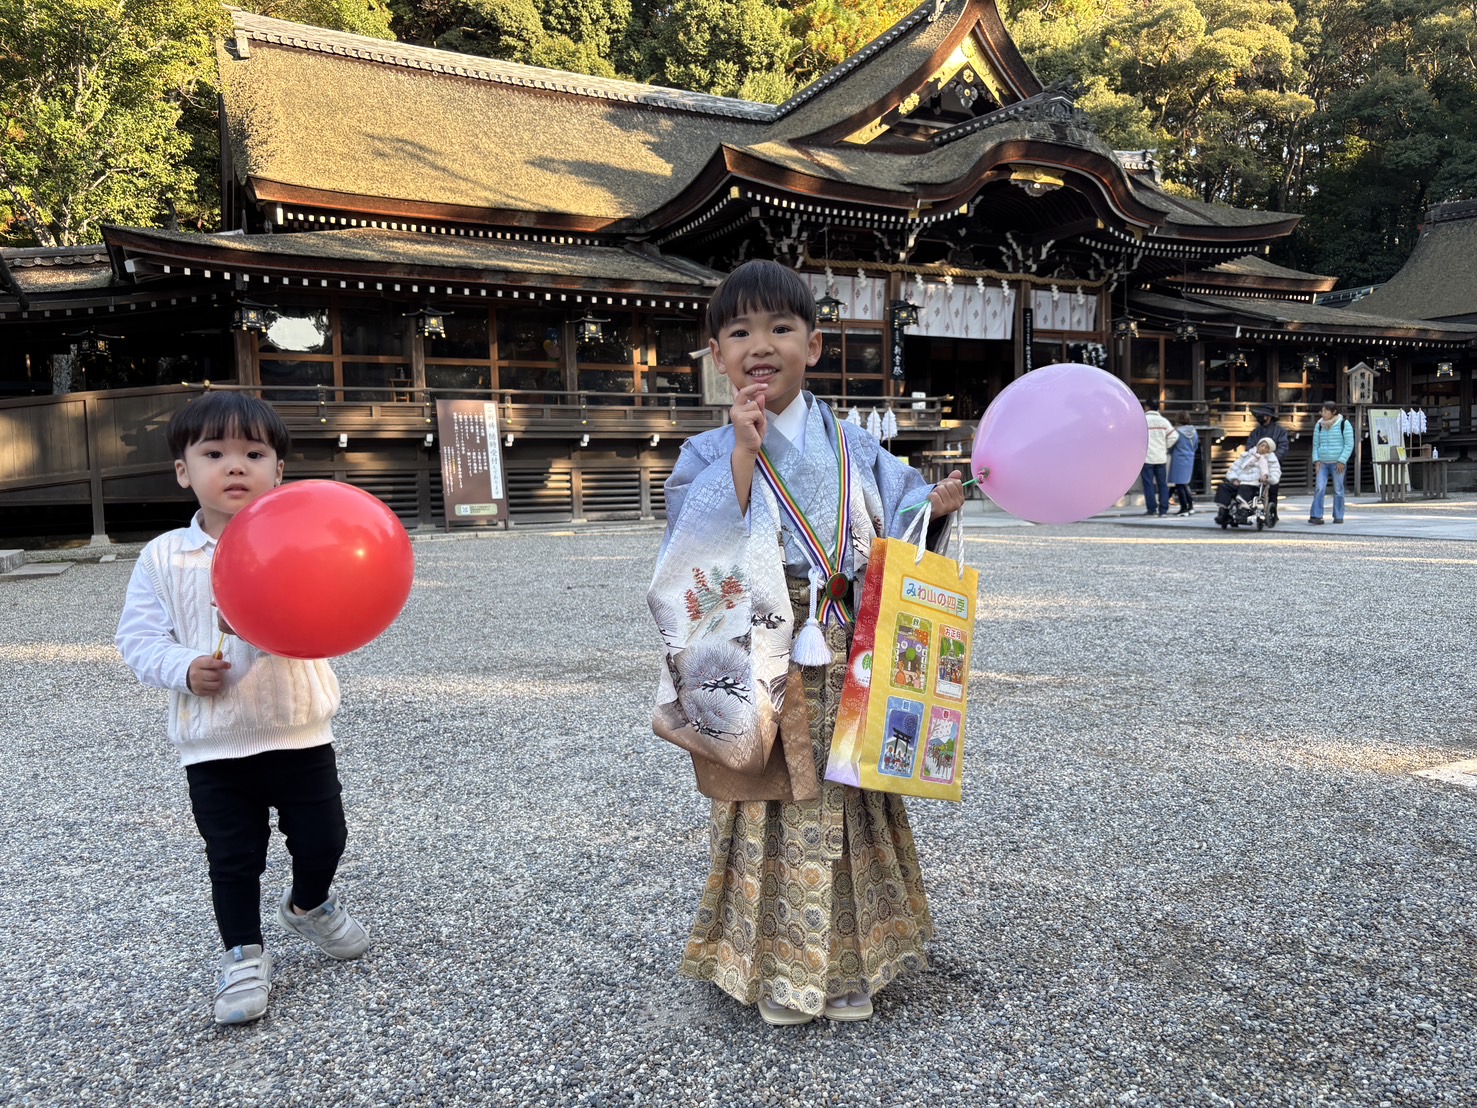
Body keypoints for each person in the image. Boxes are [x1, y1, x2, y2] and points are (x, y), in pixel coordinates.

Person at [647, 260, 965, 1027]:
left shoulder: (854, 446)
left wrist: (938, 508)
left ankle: (852, 967)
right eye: (739, 332)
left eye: (781, 328)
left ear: (814, 346)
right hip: (761, 653)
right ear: (718, 356)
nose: (761, 345)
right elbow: (693, 552)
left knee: (848, 798)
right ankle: (773, 969)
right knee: (768, 797)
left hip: (845, 643)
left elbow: (902, 516)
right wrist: (742, 458)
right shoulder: (703, 454)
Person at [115, 391, 368, 1026]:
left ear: (279, 471)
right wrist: (182, 668)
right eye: (214, 453)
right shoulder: (165, 557)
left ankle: (309, 905)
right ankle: (243, 953)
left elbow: (337, 607)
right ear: (184, 472)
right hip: (215, 742)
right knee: (233, 857)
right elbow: (138, 639)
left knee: (325, 839)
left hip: (299, 730)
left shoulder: (306, 539)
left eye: (254, 454)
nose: (236, 466)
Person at [1213, 437, 1282, 522]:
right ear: (1258, 445)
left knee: (1245, 487)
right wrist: (1234, 479)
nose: (1263, 448)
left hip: (1254, 484)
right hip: (1239, 482)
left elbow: (1275, 473)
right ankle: (1223, 511)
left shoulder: (1271, 459)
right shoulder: (1246, 455)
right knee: (1223, 486)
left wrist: (1267, 477)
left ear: (1269, 450)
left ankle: (1244, 511)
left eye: (1266, 447)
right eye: (1262, 445)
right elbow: (1234, 468)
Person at [1309, 400, 1354, 524]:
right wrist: (1316, 460)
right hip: (1322, 462)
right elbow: (1315, 444)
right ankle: (1316, 515)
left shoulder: (1344, 424)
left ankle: (1338, 515)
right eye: (1322, 411)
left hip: (1337, 462)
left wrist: (1342, 460)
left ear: (1333, 412)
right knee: (1319, 487)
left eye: (1325, 411)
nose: (1323, 414)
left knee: (1338, 489)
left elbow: (1349, 444)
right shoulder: (1319, 425)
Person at [1246, 406, 1289, 525]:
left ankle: (1272, 514)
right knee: (1251, 488)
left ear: (1269, 417)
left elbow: (1283, 448)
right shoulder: (1255, 432)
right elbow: (1249, 446)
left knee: (1273, 490)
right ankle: (1249, 511)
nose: (1259, 418)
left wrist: (1271, 459)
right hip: (1256, 465)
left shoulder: (1280, 431)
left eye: (1262, 416)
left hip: (1273, 464)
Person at [1141, 401, 1179, 517]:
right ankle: (1163, 509)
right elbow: (1174, 436)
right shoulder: (1163, 421)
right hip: (1161, 457)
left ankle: (1151, 509)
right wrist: (1165, 446)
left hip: (1147, 457)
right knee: (1162, 484)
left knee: (1148, 484)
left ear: (1147, 407)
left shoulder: (1142, 421)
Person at [1167, 411, 1199, 516]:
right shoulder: (1194, 431)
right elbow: (1195, 446)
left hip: (1178, 458)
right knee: (1184, 483)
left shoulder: (1177, 432)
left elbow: (1171, 445)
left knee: (1179, 484)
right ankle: (1190, 506)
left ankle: (1184, 508)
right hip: (1189, 458)